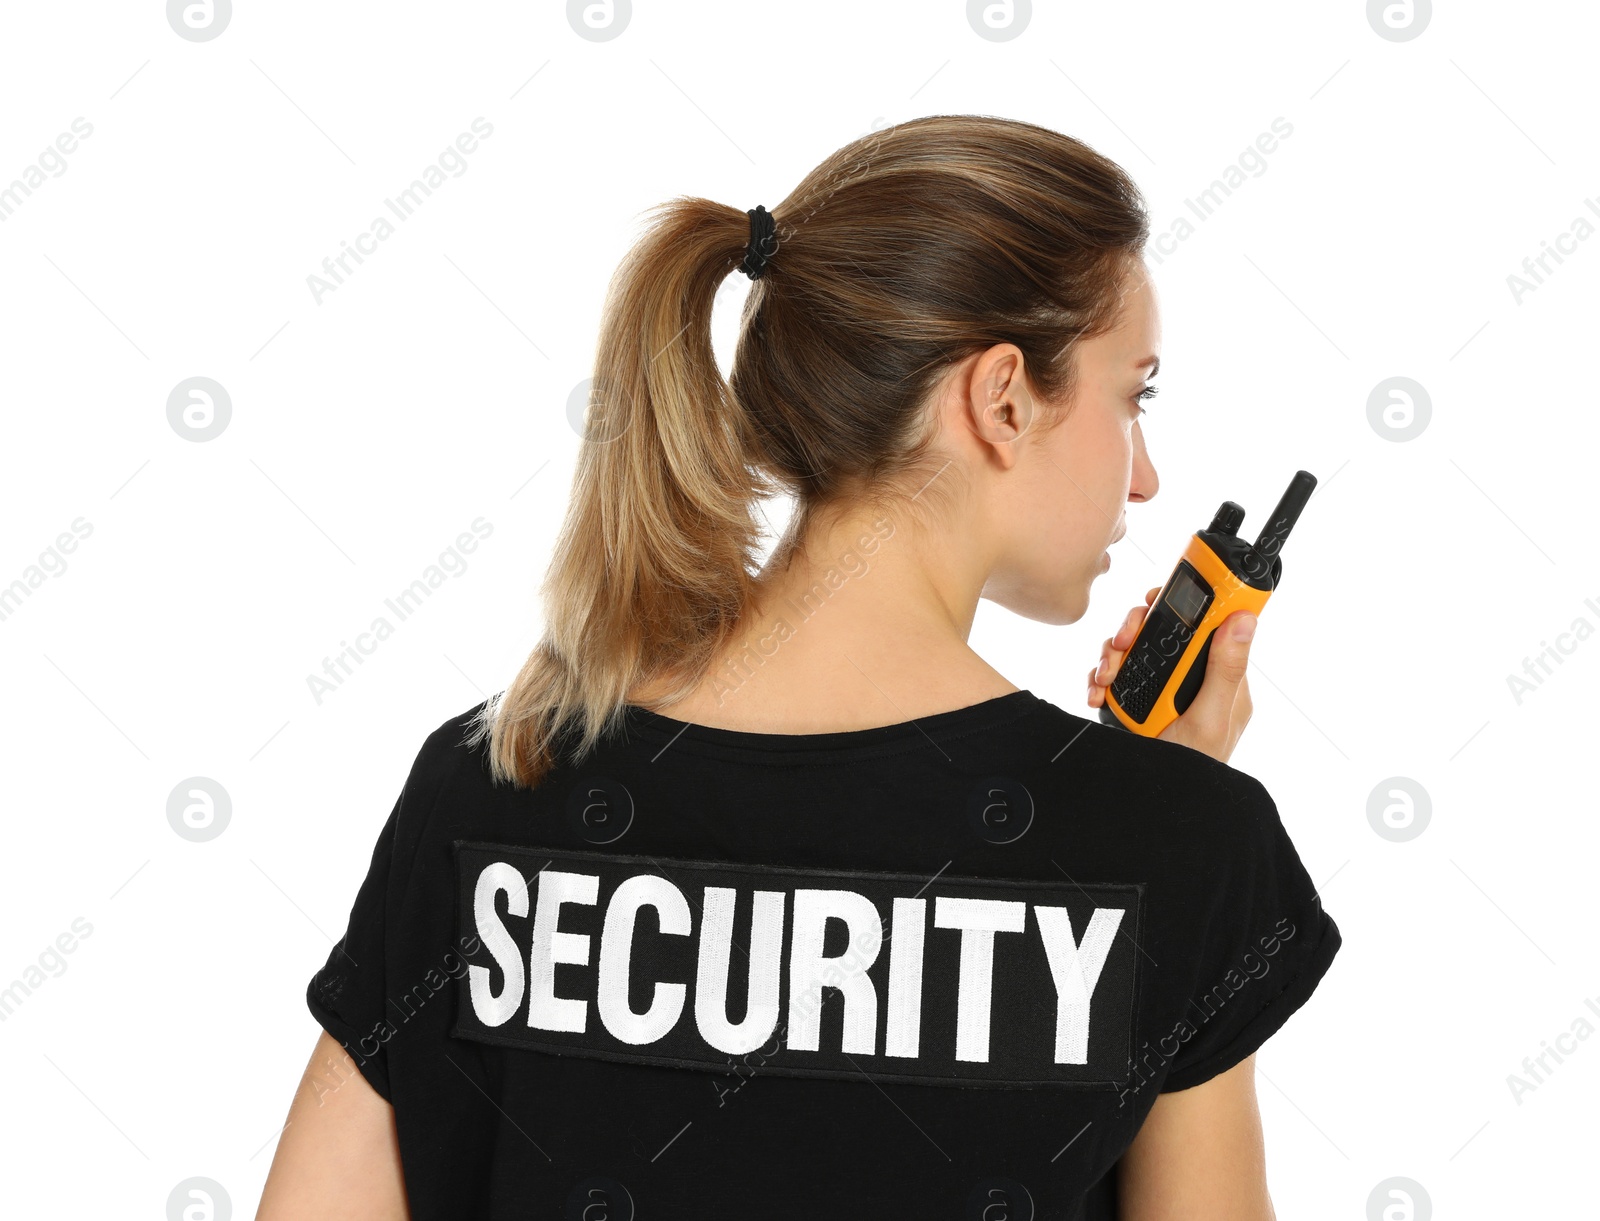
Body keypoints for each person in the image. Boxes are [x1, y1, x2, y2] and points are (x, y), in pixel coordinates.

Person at [257, 114, 1340, 1220]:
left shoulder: (489, 780)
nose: (1145, 477)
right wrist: (1171, 835)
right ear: (1003, 396)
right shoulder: (1179, 846)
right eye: (1133, 396)